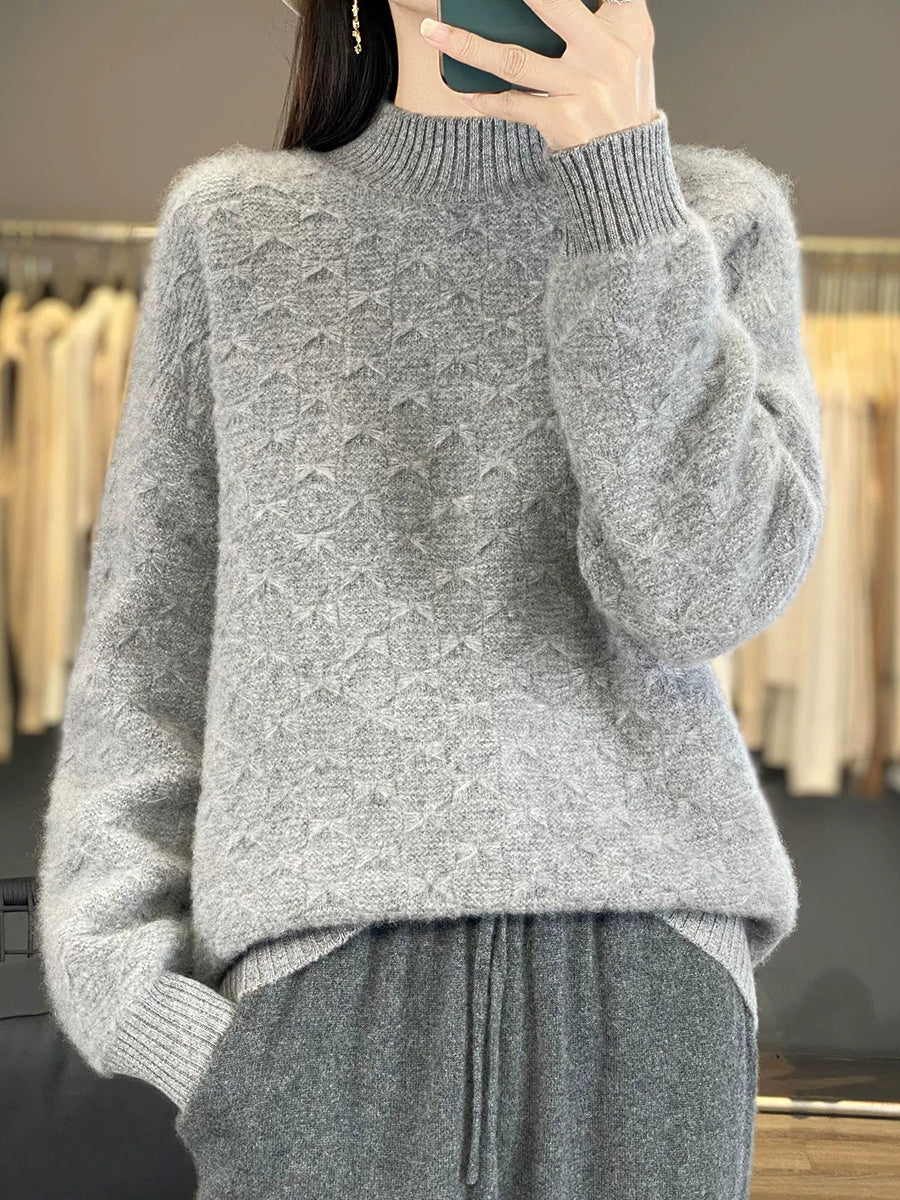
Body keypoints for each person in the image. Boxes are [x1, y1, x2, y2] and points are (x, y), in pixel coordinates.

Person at [36, 1, 826, 1197]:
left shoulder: (712, 221)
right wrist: (139, 998)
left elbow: (702, 594)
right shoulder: (235, 230)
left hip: (647, 1000)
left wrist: (624, 200)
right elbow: (151, 650)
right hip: (318, 1013)